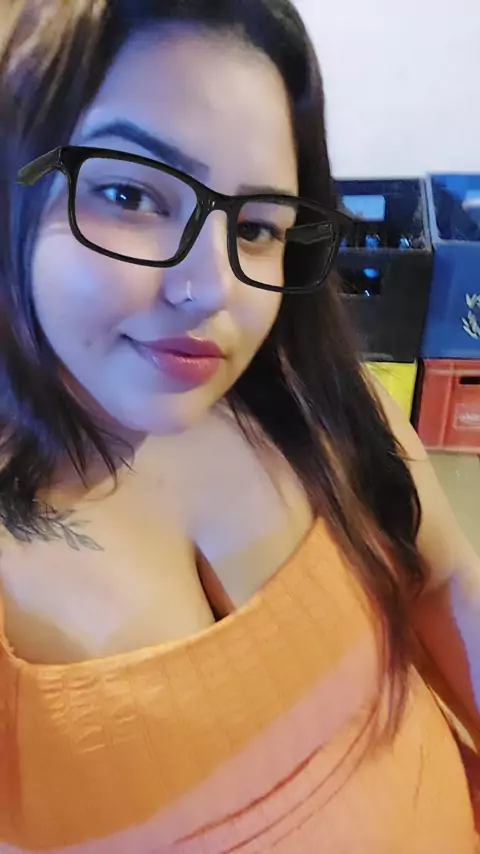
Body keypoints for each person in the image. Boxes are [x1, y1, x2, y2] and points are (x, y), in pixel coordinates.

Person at [0, 1, 479, 851]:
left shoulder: (314, 400)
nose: (212, 288)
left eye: (257, 226)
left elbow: (444, 581)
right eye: (130, 195)